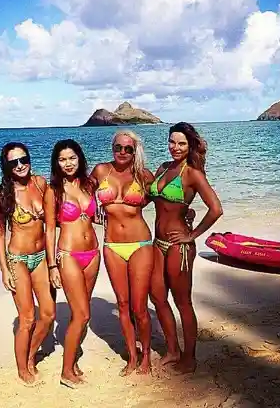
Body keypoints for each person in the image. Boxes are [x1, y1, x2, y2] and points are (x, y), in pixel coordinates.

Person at [149, 122, 223, 374]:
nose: (175, 147)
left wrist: (191, 235)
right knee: (157, 297)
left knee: (182, 302)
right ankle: (172, 350)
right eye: (172, 142)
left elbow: (216, 209)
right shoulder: (163, 168)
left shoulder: (192, 173)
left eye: (181, 143)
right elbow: (151, 198)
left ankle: (189, 358)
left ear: (190, 146)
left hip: (177, 247)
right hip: (157, 243)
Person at [91, 130, 155, 376]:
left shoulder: (143, 175)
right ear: (112, 147)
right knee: (123, 304)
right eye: (118, 147)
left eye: (128, 148)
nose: (122, 152)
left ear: (135, 151)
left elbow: (163, 200)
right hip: (112, 245)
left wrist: (186, 216)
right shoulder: (101, 171)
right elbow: (79, 195)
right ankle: (132, 356)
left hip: (140, 244)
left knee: (140, 307)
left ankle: (146, 355)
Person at [0, 142, 55, 386]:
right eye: (13, 162)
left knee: (48, 314)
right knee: (27, 318)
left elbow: (53, 221)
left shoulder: (40, 183)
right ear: (6, 166)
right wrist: (4, 269)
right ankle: (22, 368)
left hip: (40, 258)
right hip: (17, 260)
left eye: (23, 159)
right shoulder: (3, 194)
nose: (20, 165)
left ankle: (30, 355)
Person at [44, 139, 100, 388]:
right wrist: (51, 266)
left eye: (72, 158)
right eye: (62, 159)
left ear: (80, 158)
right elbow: (49, 231)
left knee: (82, 314)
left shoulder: (88, 184)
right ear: (56, 163)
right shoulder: (53, 191)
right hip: (68, 256)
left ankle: (73, 361)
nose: (67, 163)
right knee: (82, 314)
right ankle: (66, 372)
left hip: (93, 254)